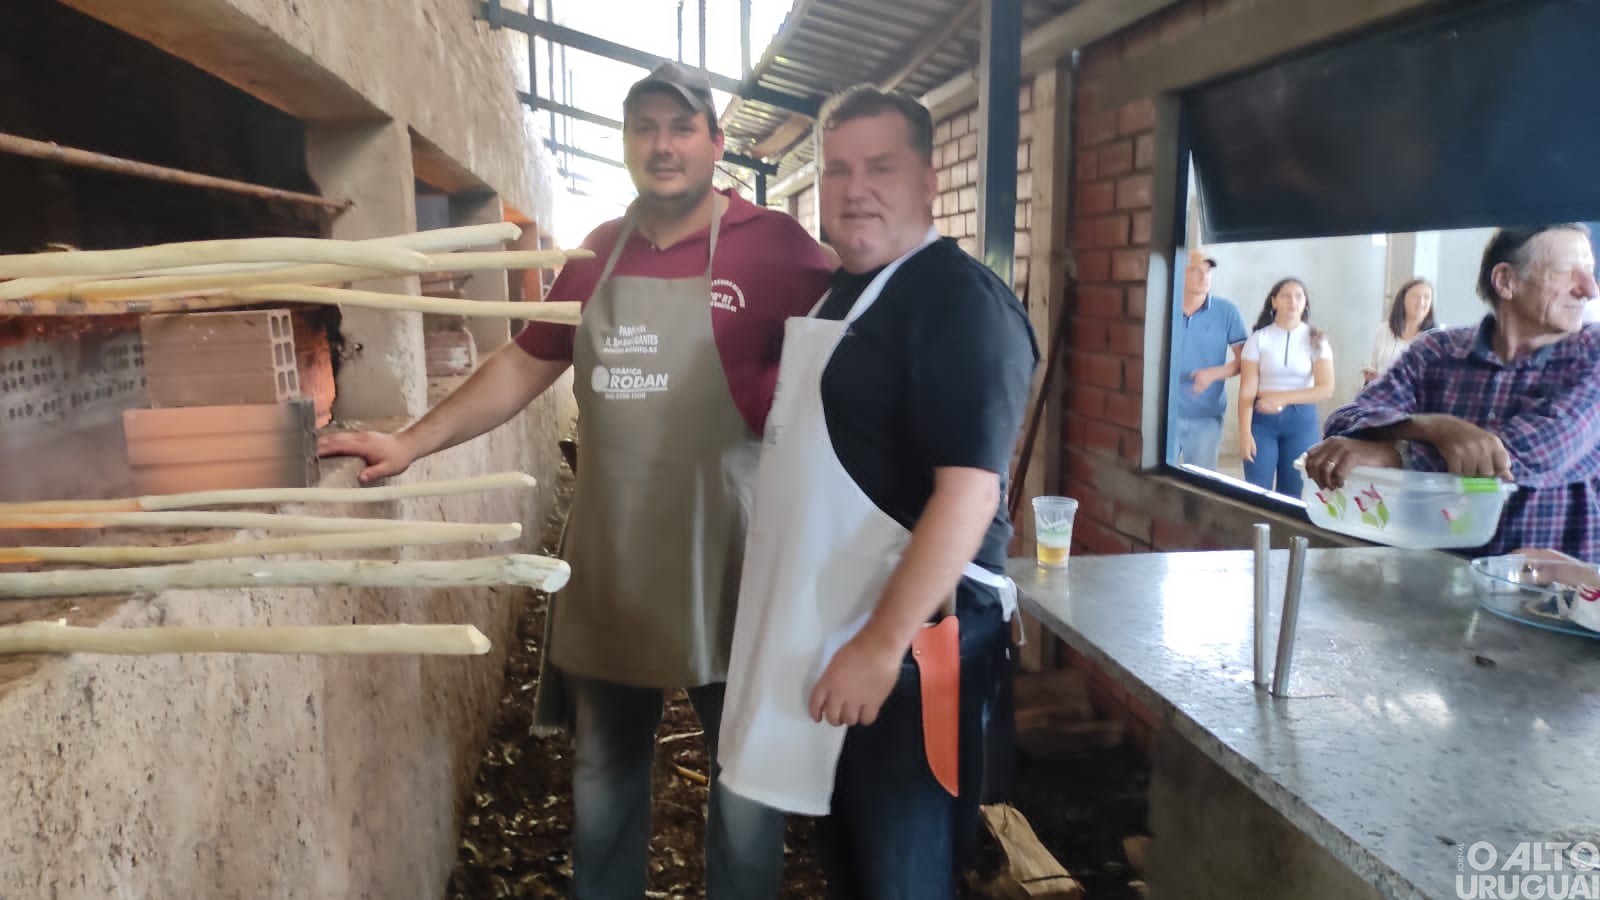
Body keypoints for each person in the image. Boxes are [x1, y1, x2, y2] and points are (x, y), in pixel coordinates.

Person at [319, 62, 834, 898]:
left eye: (681, 127)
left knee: (747, 787)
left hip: (730, 557)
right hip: (613, 553)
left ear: (715, 142)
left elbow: (860, 331)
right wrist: (412, 441)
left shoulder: (776, 247)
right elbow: (524, 364)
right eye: (644, 128)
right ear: (626, 144)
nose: (662, 145)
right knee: (602, 779)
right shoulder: (599, 252)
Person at [715, 86, 1039, 899]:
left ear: (929, 181)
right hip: (838, 636)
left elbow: (968, 496)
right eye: (838, 169)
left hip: (918, 652)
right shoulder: (844, 292)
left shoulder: (959, 303)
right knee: (853, 871)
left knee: (906, 878)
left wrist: (878, 646)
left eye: (880, 168)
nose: (855, 188)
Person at [1306, 224, 1600, 561]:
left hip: (1551, 585)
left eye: (1590, 271)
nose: (1589, 289)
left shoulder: (1593, 354)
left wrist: (1395, 455)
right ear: (1506, 281)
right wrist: (1433, 427)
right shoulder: (1436, 352)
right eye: (1566, 272)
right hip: (1438, 575)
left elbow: (1533, 451)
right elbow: (1345, 422)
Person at [1237, 277, 1335, 495]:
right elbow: (1247, 391)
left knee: (1294, 492)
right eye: (1286, 296)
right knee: (1256, 489)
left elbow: (1326, 388)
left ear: (1305, 303)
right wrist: (1244, 432)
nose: (1293, 301)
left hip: (1301, 423)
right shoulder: (1258, 339)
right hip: (1262, 422)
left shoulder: (1317, 340)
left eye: (1299, 296)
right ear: (1274, 301)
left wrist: (1281, 398)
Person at [1174, 250, 1248, 469]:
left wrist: (1213, 374)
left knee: (1201, 480)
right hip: (1162, 414)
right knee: (1153, 478)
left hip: (1206, 416)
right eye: (1195, 270)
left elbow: (1246, 362)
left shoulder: (1227, 311)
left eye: (1207, 271)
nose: (1204, 276)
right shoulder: (1162, 307)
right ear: (1178, 272)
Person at [1362, 277, 1438, 384]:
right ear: (1403, 300)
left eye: (1426, 297)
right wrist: (1372, 377)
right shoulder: (1385, 329)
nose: (1421, 302)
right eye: (1415, 297)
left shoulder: (1436, 337)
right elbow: (1373, 366)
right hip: (1383, 391)